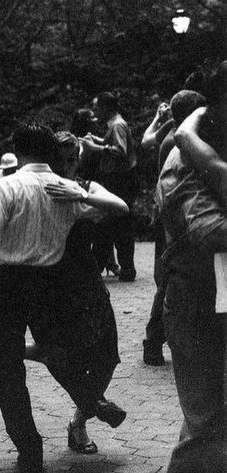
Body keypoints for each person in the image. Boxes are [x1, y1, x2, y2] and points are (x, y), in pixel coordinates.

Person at [0, 123, 128, 473]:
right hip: (48, 284)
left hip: (6, 284)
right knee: (54, 351)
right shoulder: (66, 187)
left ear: (17, 148)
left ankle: (29, 447)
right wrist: (80, 195)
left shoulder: (7, 184)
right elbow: (119, 209)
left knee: (5, 365)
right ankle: (92, 401)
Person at [24, 131, 126, 454]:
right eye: (61, 160)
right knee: (63, 353)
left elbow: (120, 207)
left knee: (107, 352)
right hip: (55, 284)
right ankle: (87, 413)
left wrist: (80, 196)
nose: (67, 166)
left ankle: (83, 410)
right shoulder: (43, 188)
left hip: (88, 284)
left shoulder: (83, 187)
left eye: (72, 160)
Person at [156, 63, 226, 473]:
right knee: (205, 426)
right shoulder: (184, 158)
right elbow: (209, 231)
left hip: (215, 298)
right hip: (193, 301)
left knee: (210, 424)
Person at [141, 90, 205, 366]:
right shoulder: (179, 142)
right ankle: (153, 341)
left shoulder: (172, 133)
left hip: (172, 219)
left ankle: (157, 340)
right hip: (177, 223)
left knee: (168, 279)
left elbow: (145, 140)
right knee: (168, 280)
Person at [82, 91, 138, 281]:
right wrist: (97, 140)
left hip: (120, 181)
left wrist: (95, 148)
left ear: (106, 107)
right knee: (113, 225)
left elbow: (120, 152)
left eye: (98, 107)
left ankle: (126, 269)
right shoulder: (114, 126)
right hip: (119, 181)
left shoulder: (117, 125)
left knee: (118, 225)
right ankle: (117, 267)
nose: (96, 111)